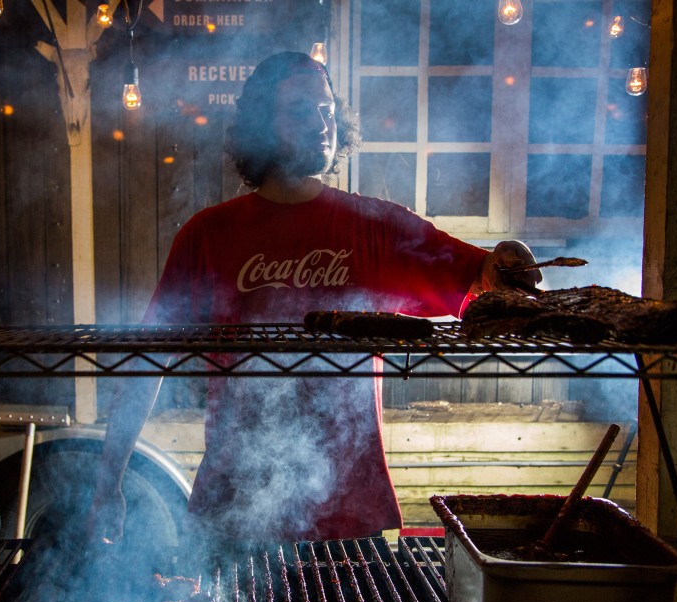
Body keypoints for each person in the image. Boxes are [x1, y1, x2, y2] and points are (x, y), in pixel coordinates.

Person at [87, 51, 541, 545]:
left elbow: (480, 277)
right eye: (301, 111)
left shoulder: (377, 226)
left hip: (349, 512)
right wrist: (108, 481)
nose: (321, 124)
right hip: (235, 511)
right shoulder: (209, 236)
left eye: (327, 111)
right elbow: (147, 362)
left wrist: (506, 265)